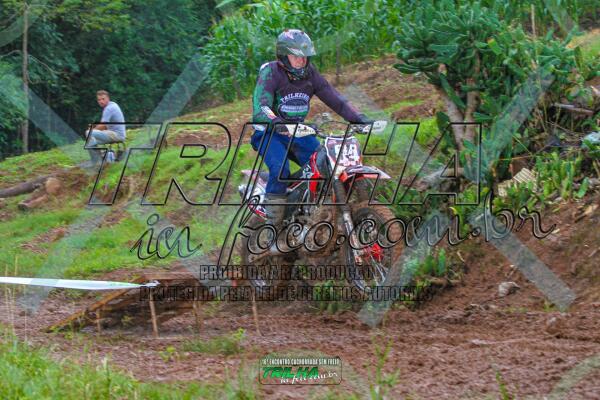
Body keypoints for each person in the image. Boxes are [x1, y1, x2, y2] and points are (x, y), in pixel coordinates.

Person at [251, 28, 372, 231]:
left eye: (305, 56)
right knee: (280, 170)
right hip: (269, 132)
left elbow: (335, 98)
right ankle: (273, 229)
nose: (302, 61)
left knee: (325, 163)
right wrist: (277, 122)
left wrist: (359, 119)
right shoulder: (270, 72)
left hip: (298, 132)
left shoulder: (310, 74)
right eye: (296, 56)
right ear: (283, 56)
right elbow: (261, 107)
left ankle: (314, 211)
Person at [85, 90, 126, 164]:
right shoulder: (113, 105)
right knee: (90, 141)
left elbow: (103, 125)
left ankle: (97, 161)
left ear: (108, 98)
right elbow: (105, 126)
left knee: (88, 133)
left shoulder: (109, 108)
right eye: (99, 100)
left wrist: (93, 129)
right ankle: (100, 160)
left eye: (103, 99)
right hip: (116, 134)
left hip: (116, 134)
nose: (101, 101)